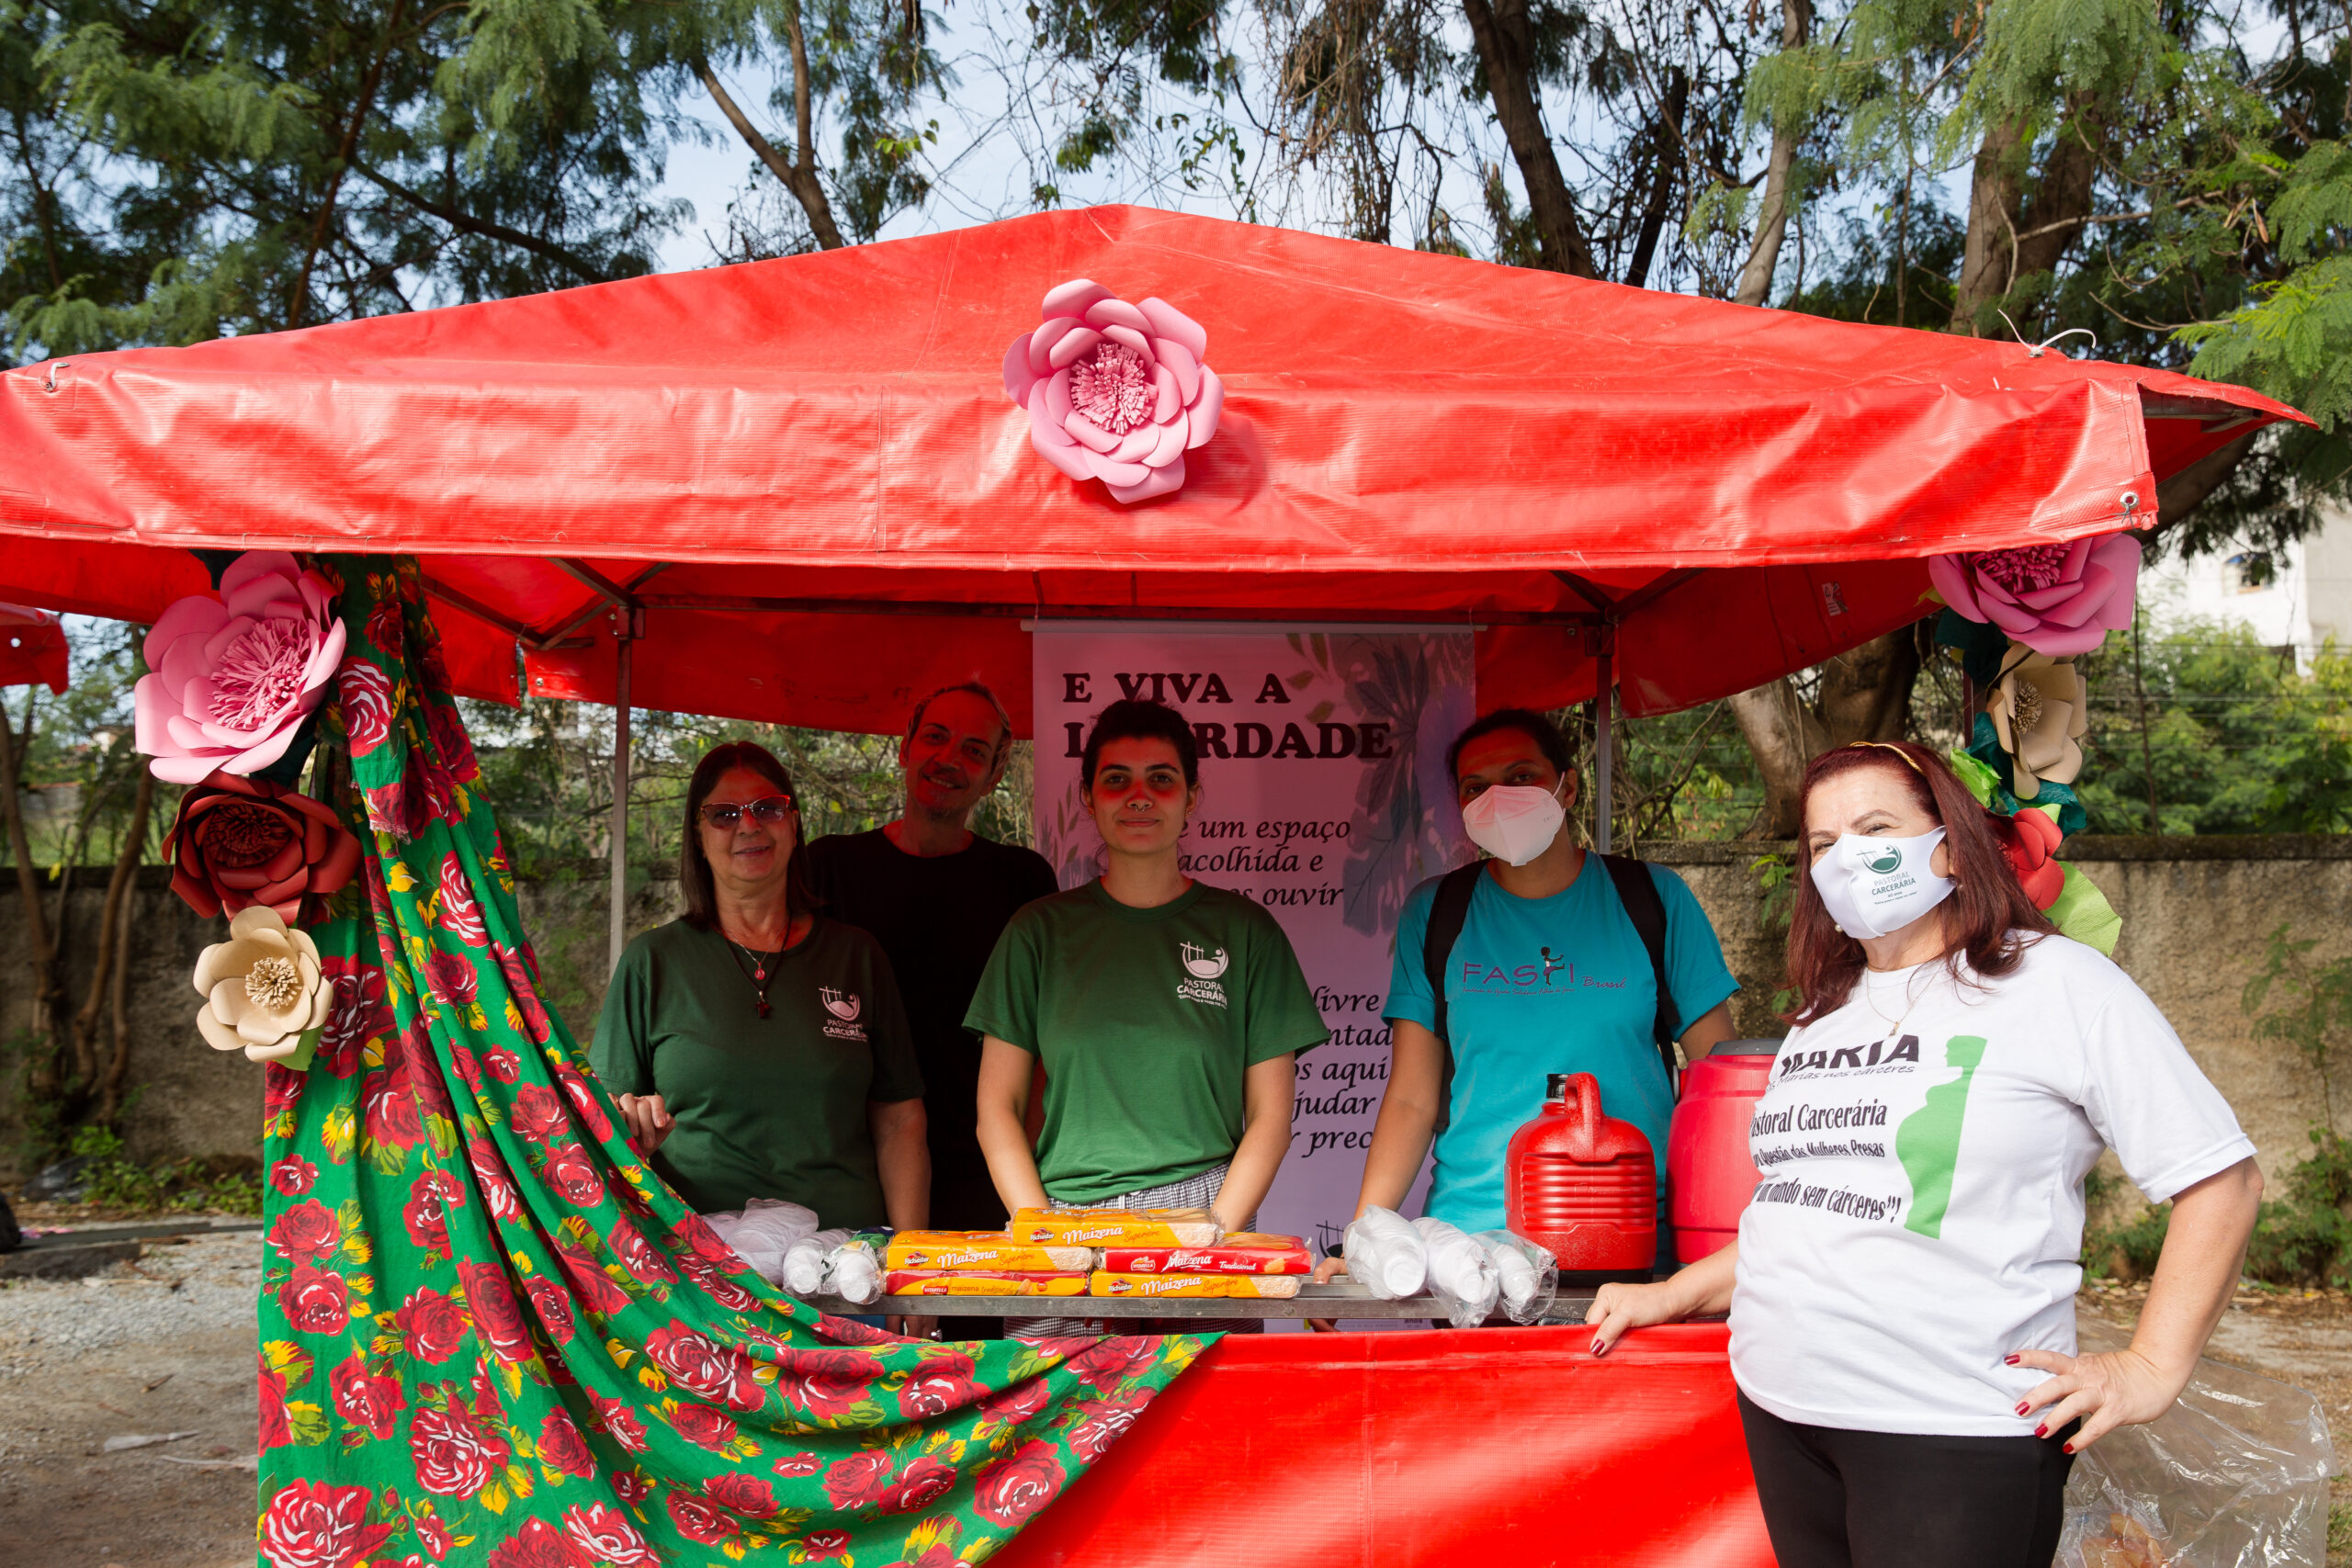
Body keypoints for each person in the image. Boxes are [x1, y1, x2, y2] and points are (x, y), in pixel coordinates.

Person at [1584, 739, 2263, 1568]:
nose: (1847, 858)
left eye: (1875, 827)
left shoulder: (2058, 985)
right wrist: (1673, 1294)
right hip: (1785, 1411)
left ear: (1948, 842)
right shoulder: (1820, 1018)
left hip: (1950, 1426)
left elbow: (2219, 1179)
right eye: (1825, 843)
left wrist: (2150, 1366)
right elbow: (1809, 1208)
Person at [1317, 706, 1737, 1273]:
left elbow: (1721, 1083)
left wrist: (1732, 1226)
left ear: (1568, 787)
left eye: (1521, 777)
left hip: (1636, 1233)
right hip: (1476, 1249)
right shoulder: (1437, 911)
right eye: (1476, 787)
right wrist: (1366, 1237)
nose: (1500, 798)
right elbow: (1412, 1099)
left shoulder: (1654, 898)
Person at [967, 698, 1329, 1335]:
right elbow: (997, 1109)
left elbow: (1272, 1117)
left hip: (1204, 1210)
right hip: (1062, 1219)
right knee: (1061, 1429)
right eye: (1117, 778)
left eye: (1161, 778)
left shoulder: (1246, 932)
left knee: (1201, 1430)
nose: (1140, 796)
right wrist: (1040, 1231)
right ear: (1087, 797)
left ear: (1192, 795)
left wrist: (1214, 1233)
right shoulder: (1038, 933)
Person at [593, 739, 931, 1242]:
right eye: (724, 814)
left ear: (793, 825)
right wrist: (631, 1130)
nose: (749, 826)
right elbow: (602, 1126)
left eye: (768, 808)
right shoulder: (653, 962)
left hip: (850, 1261)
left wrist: (912, 1263)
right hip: (703, 1266)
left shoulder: (856, 956)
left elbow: (899, 1122)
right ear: (699, 837)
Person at [804, 682, 1057, 1341]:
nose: (949, 758)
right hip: (851, 1181)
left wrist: (1024, 1196)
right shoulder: (828, 868)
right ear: (904, 748)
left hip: (985, 1179)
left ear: (997, 773)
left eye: (975, 749)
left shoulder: (1022, 880)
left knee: (977, 1386)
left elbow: (1043, 1051)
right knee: (856, 1381)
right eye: (937, 736)